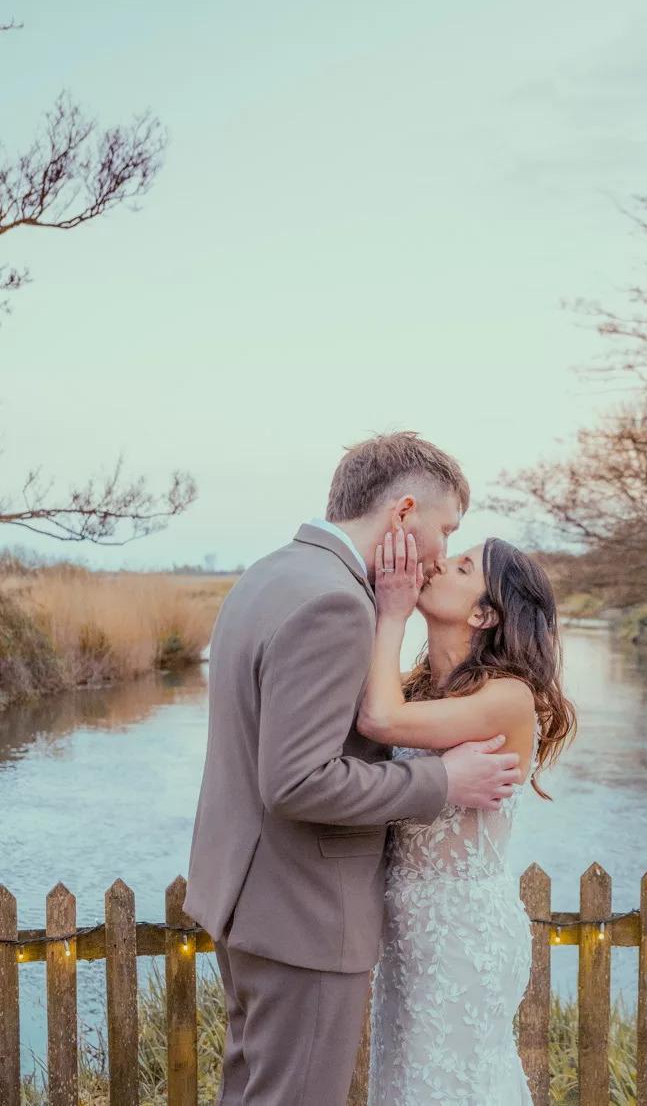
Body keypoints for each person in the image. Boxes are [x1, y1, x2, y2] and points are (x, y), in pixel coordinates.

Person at [185, 433, 521, 1106]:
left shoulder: (272, 573)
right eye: (445, 531)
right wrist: (441, 783)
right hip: (304, 914)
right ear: (403, 515)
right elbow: (298, 781)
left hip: (247, 900)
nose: (437, 554)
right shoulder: (335, 604)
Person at [360, 527, 576, 1105]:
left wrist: (392, 613)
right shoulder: (416, 688)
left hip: (462, 931)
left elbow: (379, 722)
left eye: (460, 568)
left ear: (484, 614)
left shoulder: (508, 697)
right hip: (404, 930)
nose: (439, 565)